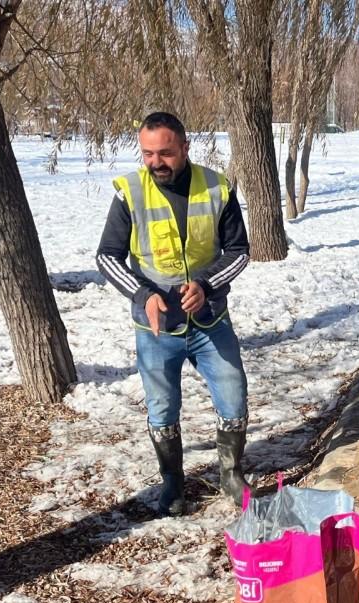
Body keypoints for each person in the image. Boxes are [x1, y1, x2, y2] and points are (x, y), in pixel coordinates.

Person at [95, 112, 251, 516]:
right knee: (161, 407)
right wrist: (141, 293)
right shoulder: (129, 192)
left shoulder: (217, 187)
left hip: (210, 320)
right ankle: (172, 482)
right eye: (148, 153)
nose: (155, 162)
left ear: (184, 148)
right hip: (156, 327)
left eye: (165, 153)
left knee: (232, 393)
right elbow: (107, 257)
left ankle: (231, 475)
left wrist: (207, 285)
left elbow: (239, 252)